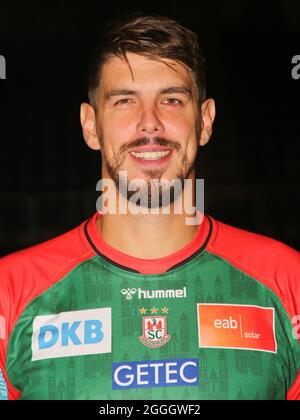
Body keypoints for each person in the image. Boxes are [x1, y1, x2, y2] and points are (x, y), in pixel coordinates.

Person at [0, 13, 299, 401]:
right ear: (91, 126)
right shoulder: (11, 291)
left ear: (205, 122)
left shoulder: (288, 281)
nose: (150, 123)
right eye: (124, 101)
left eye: (172, 100)